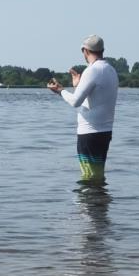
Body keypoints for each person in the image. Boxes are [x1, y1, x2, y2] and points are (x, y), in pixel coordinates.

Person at [47, 35, 119, 182]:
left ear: (85, 50)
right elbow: (96, 98)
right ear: (102, 50)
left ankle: (90, 205)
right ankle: (100, 204)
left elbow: (75, 101)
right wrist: (78, 86)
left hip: (89, 133)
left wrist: (60, 90)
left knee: (89, 178)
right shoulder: (111, 70)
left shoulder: (92, 70)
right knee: (97, 175)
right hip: (105, 132)